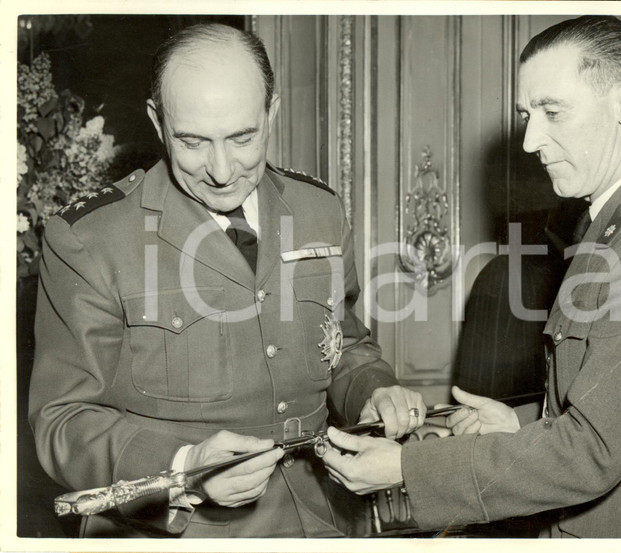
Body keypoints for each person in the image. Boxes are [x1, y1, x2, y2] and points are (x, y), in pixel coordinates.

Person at [324, 16, 621, 538]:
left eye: (552, 112)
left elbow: (592, 452)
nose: (528, 140)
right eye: (526, 113)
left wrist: (405, 469)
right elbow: (617, 409)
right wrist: (520, 425)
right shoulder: (612, 227)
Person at [29, 23, 426, 538]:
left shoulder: (318, 210)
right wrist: (185, 467)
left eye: (243, 138)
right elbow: (62, 419)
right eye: (193, 142)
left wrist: (373, 390)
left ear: (272, 113)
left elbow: (342, 340)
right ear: (157, 121)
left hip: (325, 520)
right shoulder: (91, 238)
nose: (221, 170)